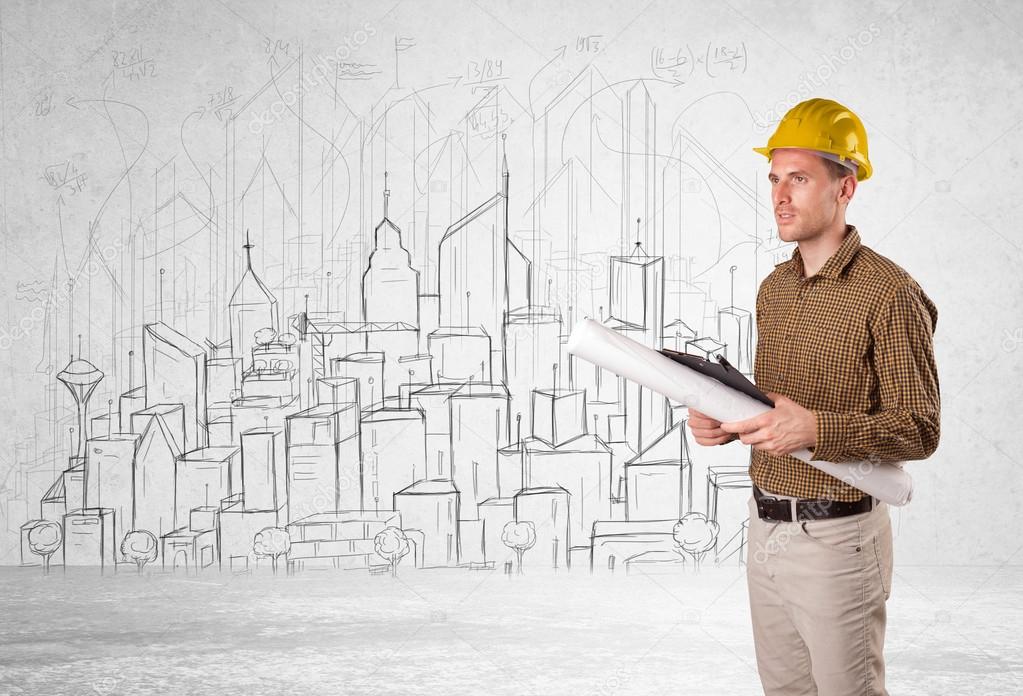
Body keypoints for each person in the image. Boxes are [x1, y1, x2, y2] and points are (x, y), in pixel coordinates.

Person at [687, 98, 940, 696]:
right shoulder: (774, 288)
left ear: (845, 187)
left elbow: (920, 427)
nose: (780, 196)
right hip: (764, 527)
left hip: (839, 542)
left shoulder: (890, 293)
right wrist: (725, 418)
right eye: (774, 179)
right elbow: (775, 410)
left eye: (798, 179)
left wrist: (819, 430)